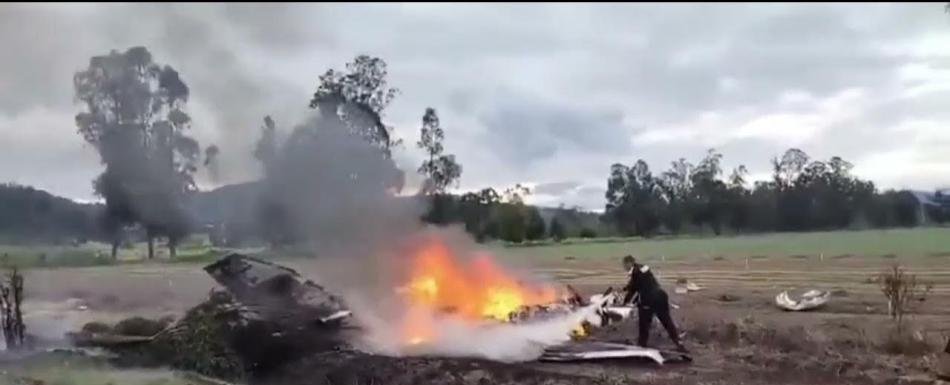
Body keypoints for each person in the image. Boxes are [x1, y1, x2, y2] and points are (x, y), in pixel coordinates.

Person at [621, 255, 688, 353]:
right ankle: (679, 344)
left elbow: (634, 289)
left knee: (644, 324)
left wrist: (625, 303)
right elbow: (641, 282)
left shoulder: (635, 272)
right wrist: (626, 289)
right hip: (661, 296)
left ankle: (641, 347)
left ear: (629, 263)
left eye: (624, 265)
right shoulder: (642, 268)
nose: (624, 267)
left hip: (649, 299)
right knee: (667, 322)